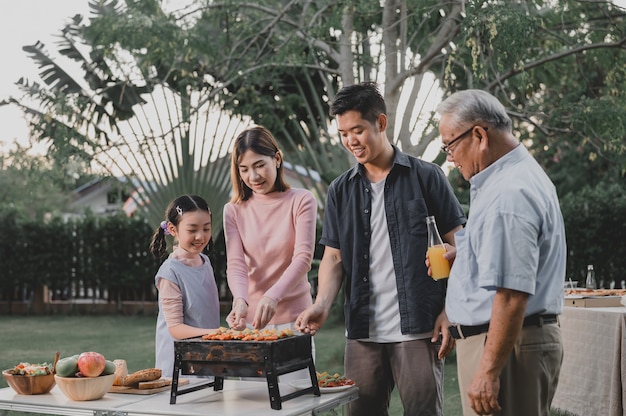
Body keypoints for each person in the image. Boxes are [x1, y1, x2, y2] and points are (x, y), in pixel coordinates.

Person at [295, 82, 466, 416]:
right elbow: (333, 255)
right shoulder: (340, 191)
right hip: (362, 332)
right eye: (343, 133)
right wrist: (321, 305)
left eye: (357, 130)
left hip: (418, 326)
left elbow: (461, 246)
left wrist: (450, 310)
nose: (350, 141)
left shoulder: (427, 177)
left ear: (381, 123)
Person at [435, 89, 566, 416]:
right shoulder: (503, 180)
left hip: (506, 348)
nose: (450, 157)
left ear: (479, 134)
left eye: (450, 145)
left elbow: (511, 294)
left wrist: (488, 371)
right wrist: (461, 257)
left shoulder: (508, 194)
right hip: (509, 342)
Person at [223, 125, 317, 335]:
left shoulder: (302, 200)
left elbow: (303, 258)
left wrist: (271, 297)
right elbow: (236, 264)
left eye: (259, 165)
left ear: (277, 159)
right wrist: (240, 300)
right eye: (244, 169)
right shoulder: (233, 210)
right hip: (251, 323)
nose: (253, 176)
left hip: (297, 321)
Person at [150, 195, 220, 376]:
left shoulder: (205, 262)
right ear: (173, 229)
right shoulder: (170, 273)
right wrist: (219, 334)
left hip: (206, 358)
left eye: (206, 228)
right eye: (192, 230)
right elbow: (176, 328)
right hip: (179, 370)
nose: (201, 236)